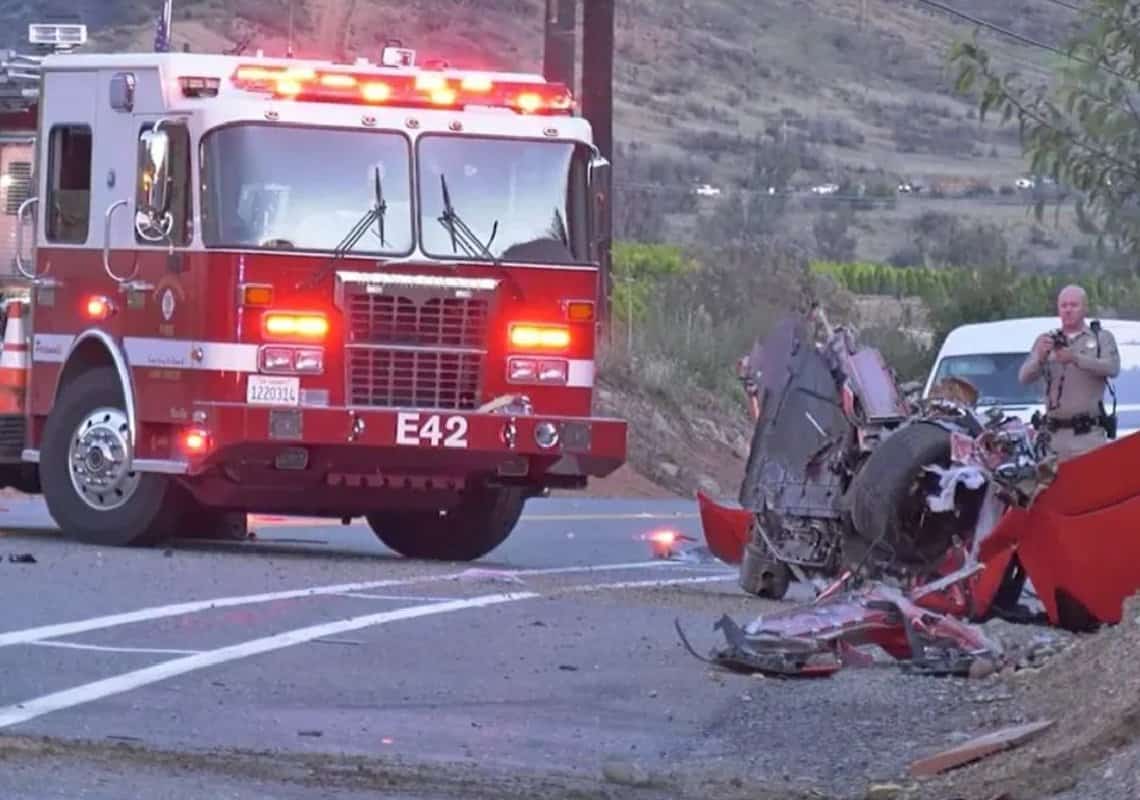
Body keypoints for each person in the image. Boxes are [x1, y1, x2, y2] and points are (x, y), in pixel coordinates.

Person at [1018, 284, 1120, 461]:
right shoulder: (1047, 340)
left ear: (1085, 308)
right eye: (1064, 306)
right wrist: (1040, 358)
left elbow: (1112, 368)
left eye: (1074, 305)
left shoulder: (1100, 338)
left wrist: (1075, 358)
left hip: (1087, 436)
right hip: (1053, 438)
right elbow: (1024, 378)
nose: (1068, 310)